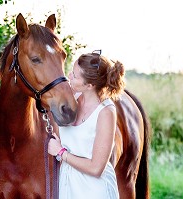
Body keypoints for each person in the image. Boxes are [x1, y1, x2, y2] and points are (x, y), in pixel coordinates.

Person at [48, 50, 126, 199]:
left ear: (89, 85)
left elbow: (96, 168)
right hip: (67, 186)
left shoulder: (105, 112)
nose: (69, 76)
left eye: (75, 76)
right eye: (71, 71)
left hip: (94, 191)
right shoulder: (71, 97)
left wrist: (60, 153)